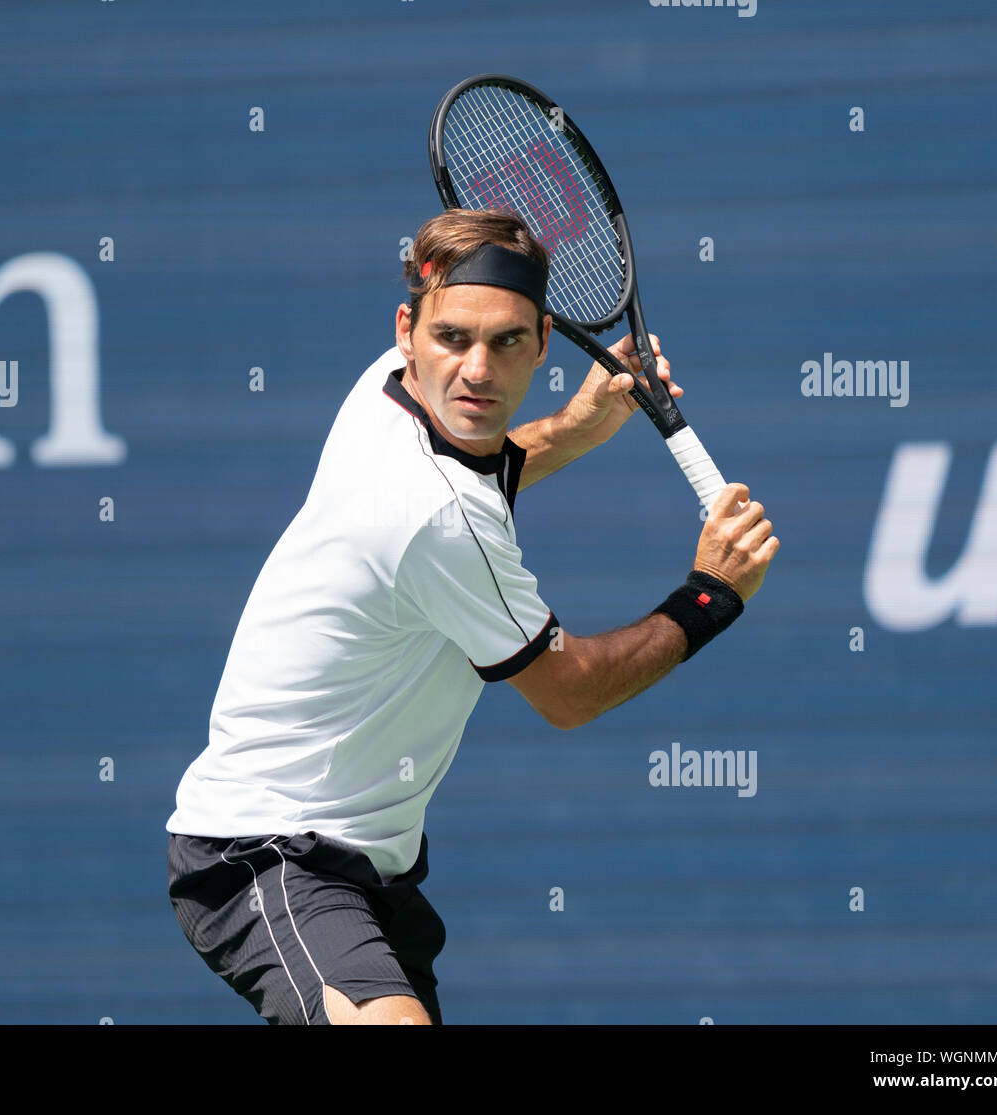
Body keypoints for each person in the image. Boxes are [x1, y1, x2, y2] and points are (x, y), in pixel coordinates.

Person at [166, 208, 779, 1026]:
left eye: (507, 342)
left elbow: (478, 461)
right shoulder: (438, 519)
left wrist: (576, 426)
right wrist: (711, 594)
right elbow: (570, 694)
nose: (477, 369)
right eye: (453, 338)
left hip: (373, 863)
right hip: (264, 848)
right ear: (409, 328)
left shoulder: (385, 388)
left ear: (545, 343)